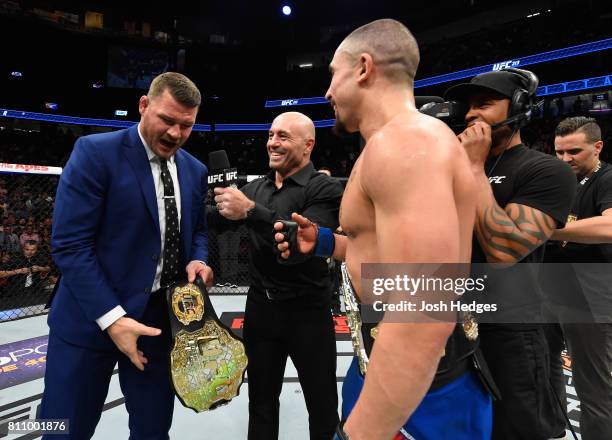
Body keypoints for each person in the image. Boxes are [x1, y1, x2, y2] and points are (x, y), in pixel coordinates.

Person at [275, 19, 491, 440]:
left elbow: (424, 311)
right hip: (388, 367)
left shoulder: (405, 144)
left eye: (333, 74)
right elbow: (380, 251)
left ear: (363, 68)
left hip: (421, 390)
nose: (328, 91)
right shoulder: (396, 143)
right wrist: (324, 242)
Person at [39, 72, 213, 440]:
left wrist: (198, 259)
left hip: (156, 323)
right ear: (144, 106)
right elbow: (71, 245)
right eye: (167, 120)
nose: (175, 134)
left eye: (186, 125)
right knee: (62, 431)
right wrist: (113, 319)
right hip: (89, 318)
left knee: (152, 431)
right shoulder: (95, 153)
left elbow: (197, 230)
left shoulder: (194, 170)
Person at [444, 69, 576, 440]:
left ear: (518, 107)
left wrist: (472, 167)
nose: (471, 115)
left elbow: (504, 250)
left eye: (484, 104)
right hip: (452, 325)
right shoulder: (449, 170)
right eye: (468, 107)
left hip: (513, 331)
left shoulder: (546, 170)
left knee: (518, 431)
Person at [212, 111, 343, 440]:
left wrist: (252, 212)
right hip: (261, 311)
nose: (273, 142)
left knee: (323, 406)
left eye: (283, 136)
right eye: (271, 134)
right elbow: (214, 220)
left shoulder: (323, 188)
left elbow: (300, 244)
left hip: (308, 314)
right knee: (261, 403)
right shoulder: (255, 188)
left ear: (308, 145)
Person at [540, 116, 612, 440]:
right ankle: (554, 428)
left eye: (574, 152)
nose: (566, 159)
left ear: (597, 147)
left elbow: (610, 227)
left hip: (591, 296)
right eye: (559, 152)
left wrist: (549, 231)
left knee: (592, 389)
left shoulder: (607, 178)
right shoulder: (559, 181)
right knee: (543, 366)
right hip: (551, 288)